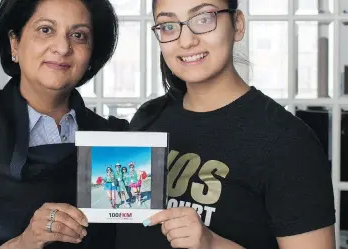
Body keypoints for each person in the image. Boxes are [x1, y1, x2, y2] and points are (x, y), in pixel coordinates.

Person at [115, 0, 336, 248]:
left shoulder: (288, 141)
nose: (186, 41)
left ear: (237, 24)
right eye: (168, 26)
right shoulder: (149, 116)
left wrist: (213, 244)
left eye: (203, 18)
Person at [0, 0, 128, 248]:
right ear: (14, 43)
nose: (62, 47)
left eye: (78, 35)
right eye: (45, 30)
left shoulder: (115, 142)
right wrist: (25, 242)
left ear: (91, 53)